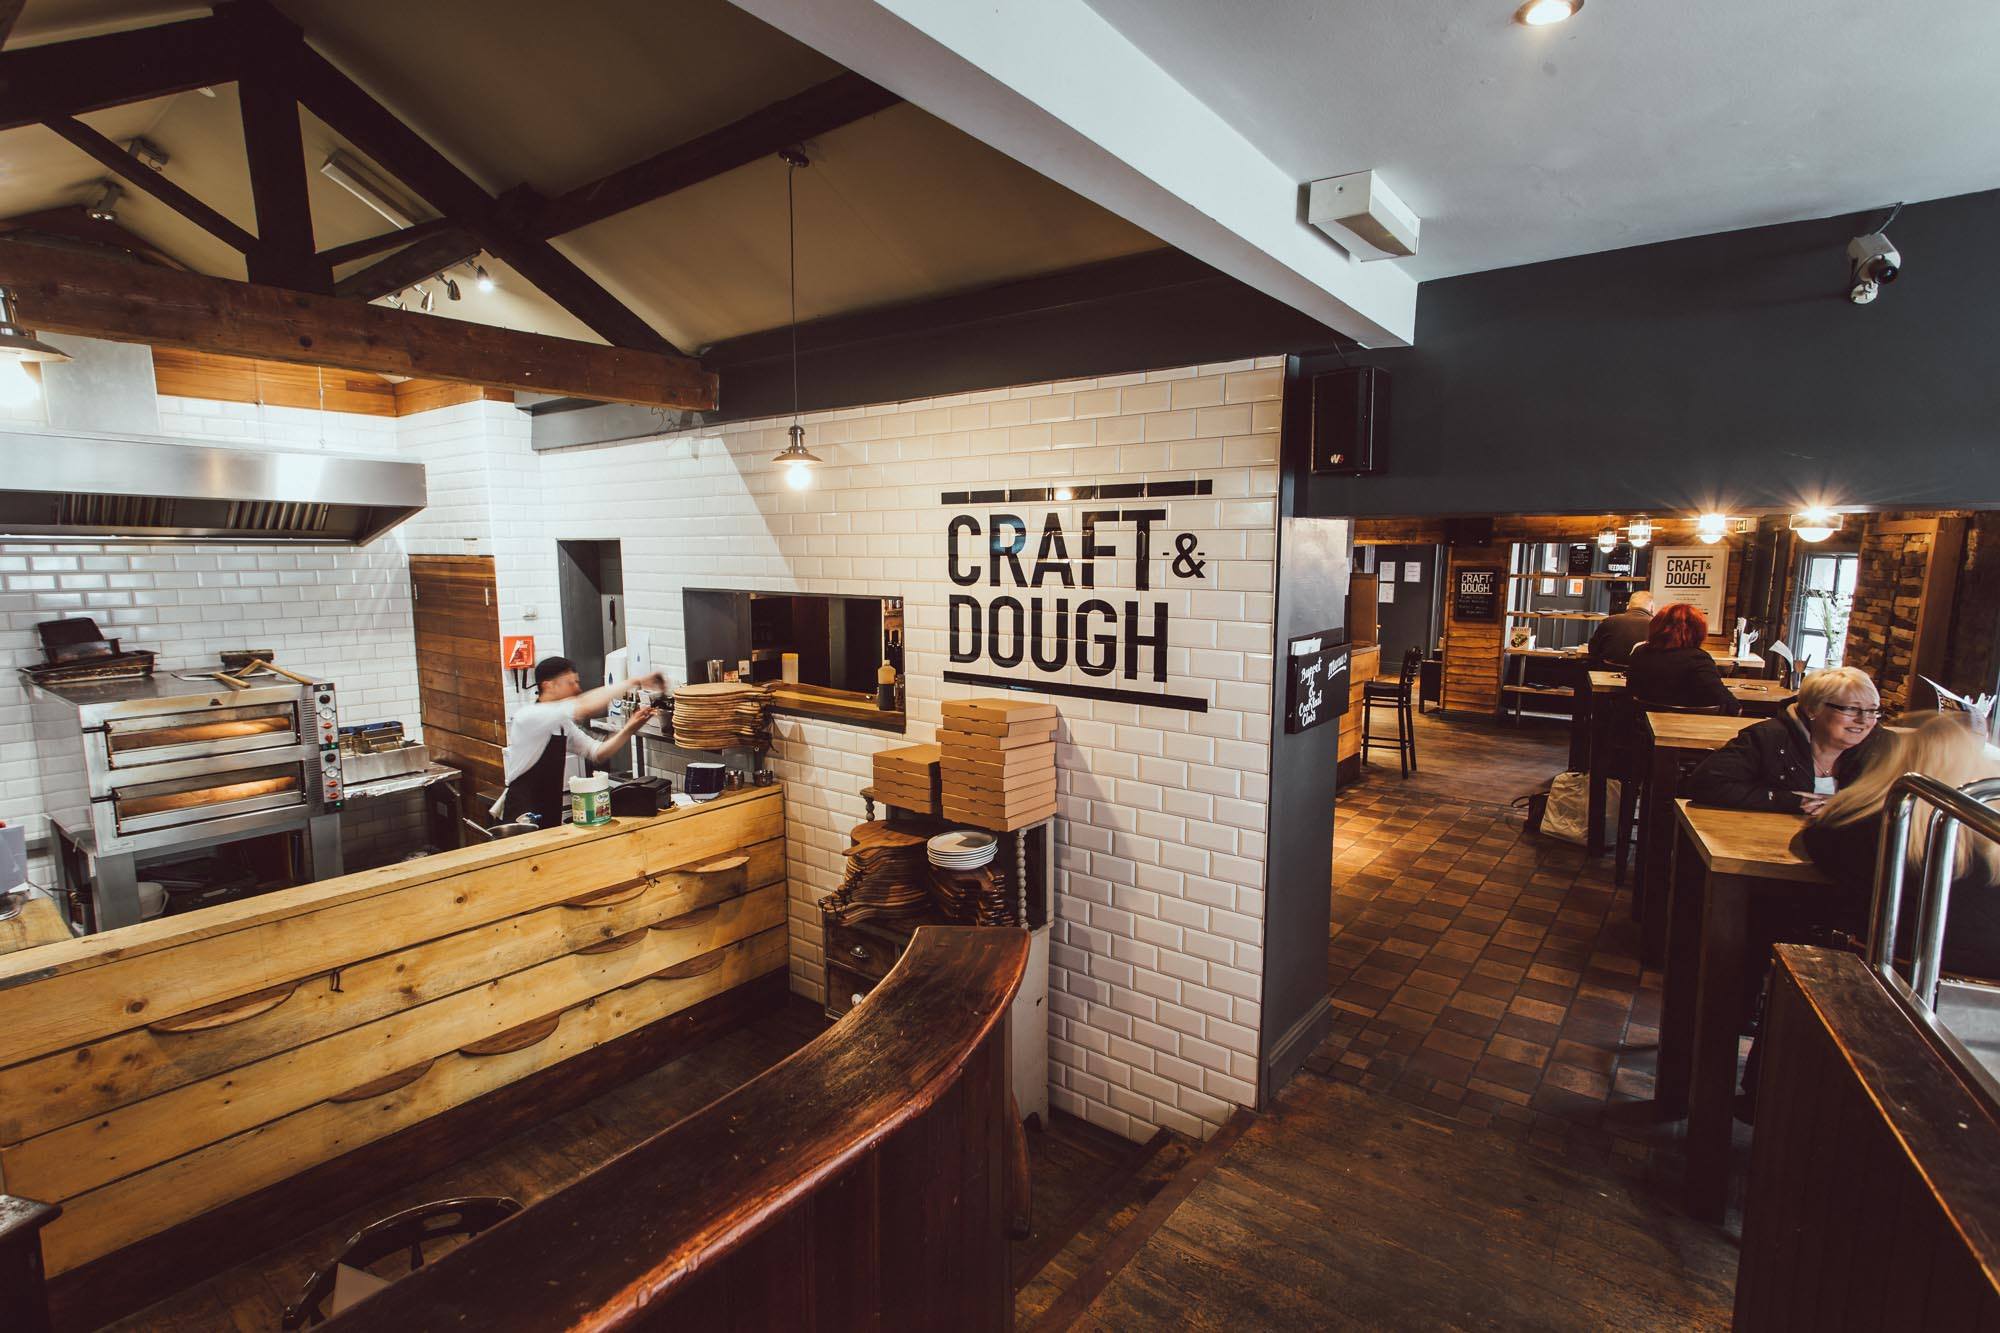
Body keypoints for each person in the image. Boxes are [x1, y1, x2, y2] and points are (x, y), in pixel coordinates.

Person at [1802, 715, 2000, 979]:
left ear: (1902, 760)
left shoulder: (1867, 823)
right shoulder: (1989, 838)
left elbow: (1816, 841)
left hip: (1879, 974)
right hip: (1984, 992)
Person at [1686, 665, 1888, 814]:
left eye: (1872, 711)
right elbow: (1705, 783)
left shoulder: (1881, 748)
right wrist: (1789, 801)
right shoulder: (1768, 739)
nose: (1864, 720)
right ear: (1813, 709)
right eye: (1851, 709)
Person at [497, 657, 661, 827]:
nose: (577, 689)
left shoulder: (562, 724)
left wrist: (629, 728)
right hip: (523, 811)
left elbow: (597, 752)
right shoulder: (531, 716)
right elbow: (585, 705)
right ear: (548, 685)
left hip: (549, 808)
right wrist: (635, 681)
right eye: (570, 683)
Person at [1621, 602, 1740, 715]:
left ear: (1656, 627)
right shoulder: (1698, 659)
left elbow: (1630, 693)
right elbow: (1729, 704)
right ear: (1697, 631)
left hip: (1641, 728)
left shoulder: (1640, 653)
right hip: (1689, 729)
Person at [1587, 589, 1655, 668]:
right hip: (1639, 675)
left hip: (1607, 670)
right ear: (1652, 608)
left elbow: (1592, 650)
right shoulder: (1656, 624)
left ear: (1628, 606)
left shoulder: (1609, 620)